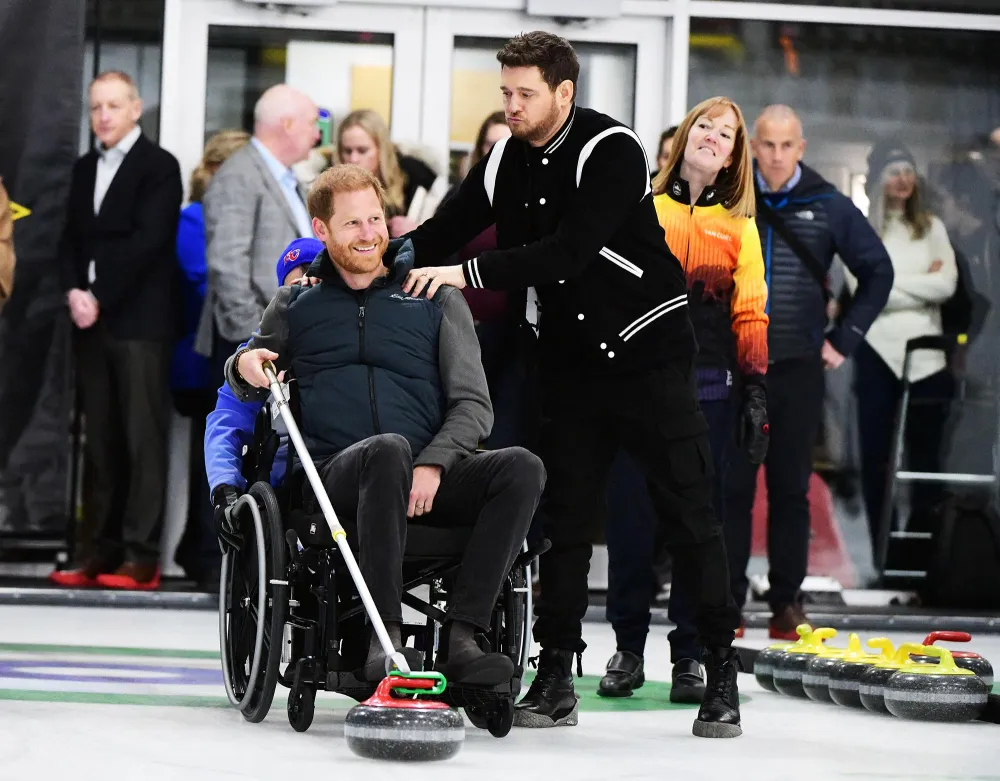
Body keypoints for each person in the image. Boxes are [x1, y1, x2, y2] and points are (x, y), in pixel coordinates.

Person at [395, 31, 743, 738]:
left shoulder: (611, 149)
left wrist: (469, 274)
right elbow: (450, 227)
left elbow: (568, 252)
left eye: (524, 94)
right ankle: (556, 673)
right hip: (573, 364)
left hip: (648, 357)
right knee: (565, 521)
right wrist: (376, 256)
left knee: (689, 514)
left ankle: (719, 669)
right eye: (505, 94)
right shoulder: (503, 158)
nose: (512, 107)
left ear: (563, 92)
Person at [223, 164, 546, 685]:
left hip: (424, 475)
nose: (370, 233)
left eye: (375, 219)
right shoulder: (295, 304)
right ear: (321, 231)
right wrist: (242, 367)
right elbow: (248, 378)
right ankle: (384, 640)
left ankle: (464, 638)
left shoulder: (435, 298)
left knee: (521, 468)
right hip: (336, 480)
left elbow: (473, 405)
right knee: (387, 449)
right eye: (352, 224)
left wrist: (436, 463)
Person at [601, 96, 768, 703]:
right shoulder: (641, 208)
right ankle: (625, 646)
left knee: (700, 528)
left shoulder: (740, 228)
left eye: (726, 134)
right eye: (706, 125)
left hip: (710, 396)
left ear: (731, 158)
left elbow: (751, 312)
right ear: (684, 138)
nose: (713, 137)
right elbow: (611, 293)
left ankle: (691, 652)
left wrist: (755, 390)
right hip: (636, 386)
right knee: (631, 521)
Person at [726, 104, 893, 637]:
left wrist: (843, 340)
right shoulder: (729, 197)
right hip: (736, 364)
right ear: (753, 145)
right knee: (730, 487)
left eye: (786, 146)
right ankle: (724, 605)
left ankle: (785, 603)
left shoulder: (828, 204)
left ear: (801, 149)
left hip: (798, 366)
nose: (775, 156)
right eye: (767, 145)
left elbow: (877, 270)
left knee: (790, 489)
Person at [50, 70, 183, 590]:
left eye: (112, 106)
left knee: (141, 439)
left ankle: (140, 557)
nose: (102, 116)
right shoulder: (84, 168)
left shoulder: (159, 166)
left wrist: (98, 295)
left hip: (138, 325)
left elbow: (149, 243)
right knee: (98, 441)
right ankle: (94, 553)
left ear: (136, 108)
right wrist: (73, 293)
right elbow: (67, 240)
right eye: (94, 107)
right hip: (89, 322)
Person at [852, 141, 957, 557]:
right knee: (876, 459)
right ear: (879, 179)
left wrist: (888, 284)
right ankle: (885, 552)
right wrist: (919, 286)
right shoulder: (862, 230)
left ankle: (924, 556)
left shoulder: (932, 227)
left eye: (908, 171)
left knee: (926, 461)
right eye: (894, 171)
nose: (903, 179)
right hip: (877, 353)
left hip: (928, 358)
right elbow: (861, 290)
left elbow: (946, 286)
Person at [194, 84, 319, 383]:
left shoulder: (287, 178)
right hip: (250, 346)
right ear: (287, 125)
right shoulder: (239, 175)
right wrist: (254, 335)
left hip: (284, 338)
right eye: (313, 123)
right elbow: (227, 265)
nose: (317, 135)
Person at [171, 129, 251, 590]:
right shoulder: (195, 218)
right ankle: (201, 551)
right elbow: (205, 279)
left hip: (227, 354)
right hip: (204, 356)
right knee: (213, 451)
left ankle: (204, 547)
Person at [205, 237, 323, 509]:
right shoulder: (261, 353)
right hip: (283, 489)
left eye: (314, 281)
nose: (305, 288)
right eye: (295, 286)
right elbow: (227, 420)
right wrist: (224, 485)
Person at [335, 109, 448, 237]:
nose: (353, 159)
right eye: (347, 151)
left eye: (362, 150)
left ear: (381, 150)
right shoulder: (326, 186)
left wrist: (419, 232)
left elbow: (446, 237)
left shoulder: (415, 179)